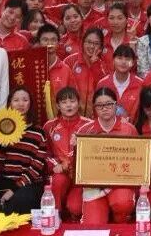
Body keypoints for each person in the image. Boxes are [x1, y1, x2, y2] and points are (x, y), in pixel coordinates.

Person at [74, 88, 138, 224]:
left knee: (123, 203)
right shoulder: (85, 130)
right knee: (94, 227)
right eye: (100, 105)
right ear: (94, 108)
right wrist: (75, 148)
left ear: (116, 105)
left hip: (120, 183)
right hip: (94, 186)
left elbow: (138, 160)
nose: (104, 108)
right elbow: (74, 162)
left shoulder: (129, 129)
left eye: (109, 104)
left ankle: (120, 220)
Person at [0, 88, 49, 214]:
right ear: (10, 104)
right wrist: (1, 147)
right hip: (6, 181)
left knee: (18, 203)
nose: (20, 104)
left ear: (30, 104)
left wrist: (14, 189)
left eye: (25, 100)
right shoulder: (1, 129)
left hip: (29, 184)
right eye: (16, 100)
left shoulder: (39, 133)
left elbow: (36, 168)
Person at [43, 87, 91, 218]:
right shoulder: (49, 126)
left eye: (72, 101)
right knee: (57, 181)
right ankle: (54, 216)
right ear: (58, 106)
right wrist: (55, 165)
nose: (69, 105)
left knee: (75, 209)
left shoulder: (89, 125)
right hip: (60, 173)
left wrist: (71, 164)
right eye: (64, 102)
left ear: (79, 103)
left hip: (81, 176)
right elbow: (44, 153)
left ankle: (73, 209)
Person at [63, 28, 109, 117]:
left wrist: (95, 65)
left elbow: (102, 88)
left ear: (101, 47)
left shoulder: (103, 65)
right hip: (73, 113)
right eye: (88, 42)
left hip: (94, 116)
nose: (91, 46)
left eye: (96, 43)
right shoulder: (70, 61)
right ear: (83, 43)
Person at [95, 44, 144, 122]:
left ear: (133, 63)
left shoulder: (140, 84)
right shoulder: (103, 83)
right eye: (119, 58)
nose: (123, 62)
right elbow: (97, 110)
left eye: (127, 59)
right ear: (113, 60)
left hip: (133, 128)